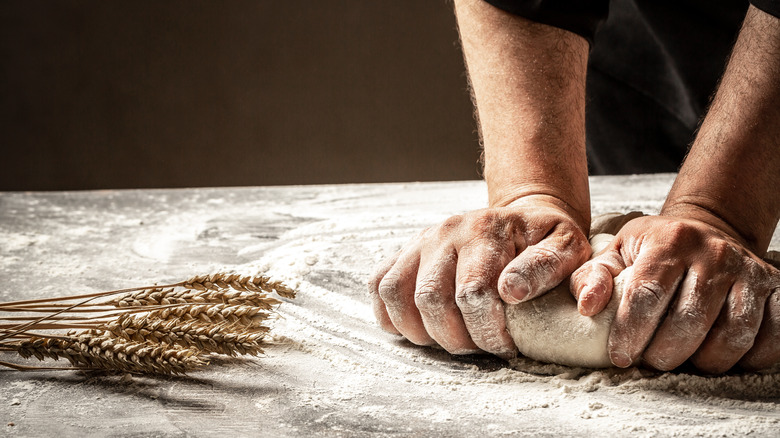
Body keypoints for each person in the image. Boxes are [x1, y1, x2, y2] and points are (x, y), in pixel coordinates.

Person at [368, 0, 780, 373]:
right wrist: (533, 193)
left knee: (695, 294)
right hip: (637, 58)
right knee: (662, 294)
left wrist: (720, 212)